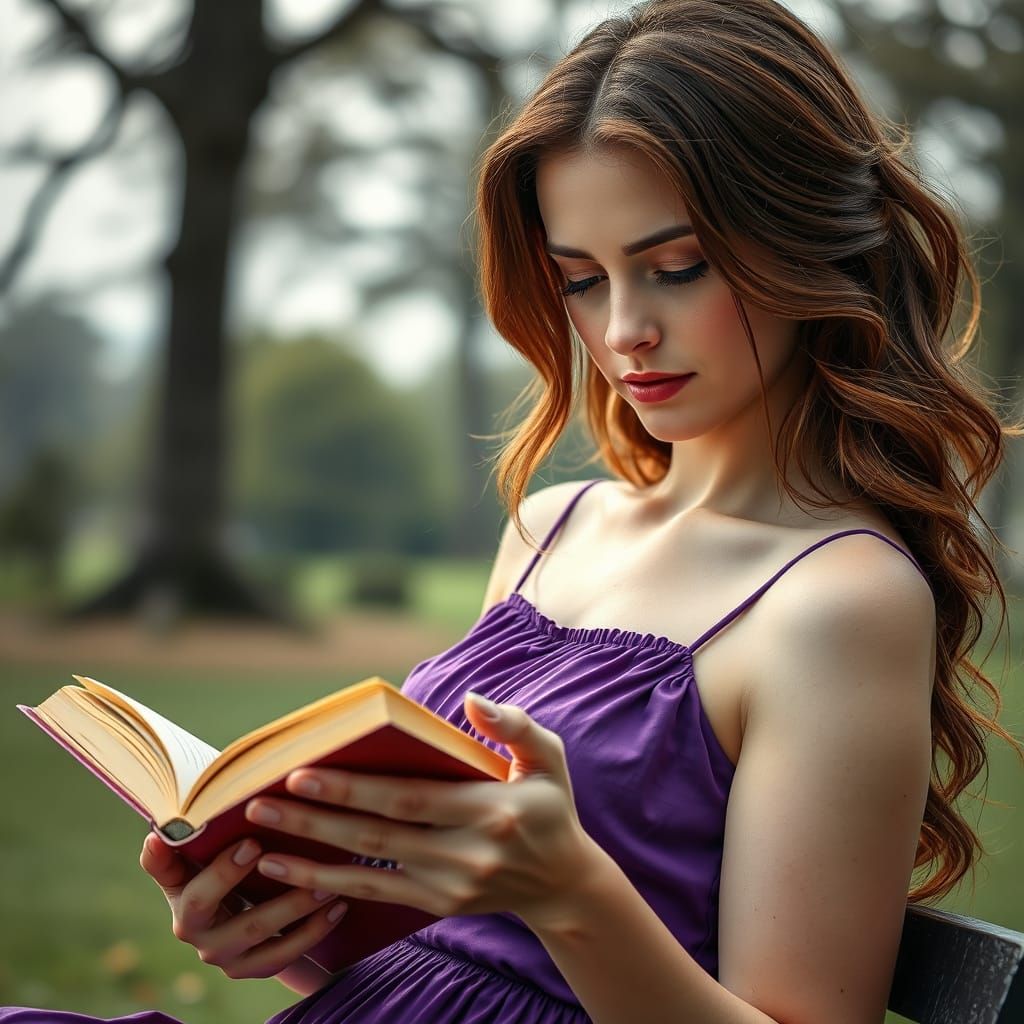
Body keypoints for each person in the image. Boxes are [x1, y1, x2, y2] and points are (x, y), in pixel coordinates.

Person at [5, 0, 1021, 1021]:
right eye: (581, 280)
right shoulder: (550, 529)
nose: (624, 330)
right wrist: (278, 927)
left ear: (805, 243)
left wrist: (569, 892)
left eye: (676, 269)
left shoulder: (839, 602)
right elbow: (454, 970)